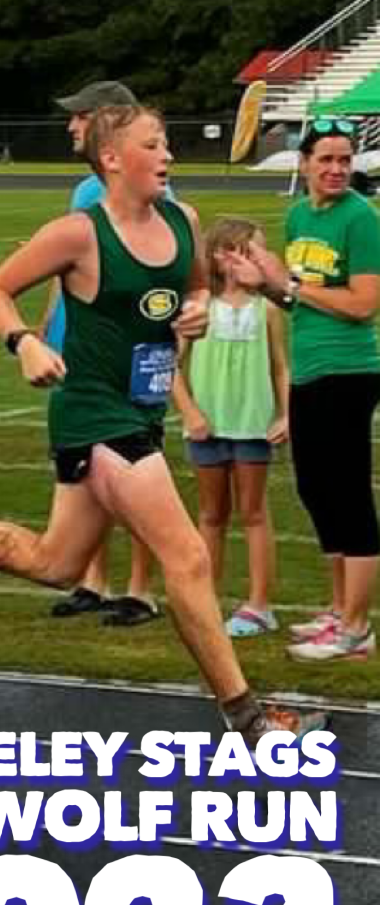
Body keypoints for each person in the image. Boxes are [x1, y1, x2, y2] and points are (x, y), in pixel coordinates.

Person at [0, 104, 328, 746]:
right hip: (95, 414)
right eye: (153, 145)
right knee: (187, 557)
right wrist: (23, 342)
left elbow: (195, 288)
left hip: (141, 412)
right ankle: (249, 720)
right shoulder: (78, 234)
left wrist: (196, 310)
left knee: (56, 562)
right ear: (111, 158)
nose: (168, 155)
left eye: (166, 144)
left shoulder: (183, 221)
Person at [228, 117, 380, 662]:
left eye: (345, 160)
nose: (337, 169)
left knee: (349, 495)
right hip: (310, 369)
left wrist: (288, 283)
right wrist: (266, 287)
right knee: (317, 490)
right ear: (305, 163)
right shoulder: (297, 216)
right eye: (326, 159)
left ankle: (357, 629)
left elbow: (364, 304)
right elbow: (299, 301)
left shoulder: (361, 219)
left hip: (350, 370)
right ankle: (339, 610)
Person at [41, 81, 159, 627]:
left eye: (81, 116)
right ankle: (93, 579)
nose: (72, 125)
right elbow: (64, 268)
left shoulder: (143, 188)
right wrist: (47, 327)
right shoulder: (84, 191)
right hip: (77, 347)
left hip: (120, 354)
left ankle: (140, 589)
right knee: (83, 471)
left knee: (136, 473)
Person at [172, 217, 289, 638]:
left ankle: (260, 605)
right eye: (250, 251)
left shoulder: (267, 309)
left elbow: (280, 367)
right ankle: (207, 600)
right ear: (223, 257)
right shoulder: (197, 308)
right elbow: (171, 366)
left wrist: (285, 414)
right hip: (207, 426)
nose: (259, 259)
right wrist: (190, 413)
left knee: (254, 513)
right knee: (211, 514)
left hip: (252, 425)